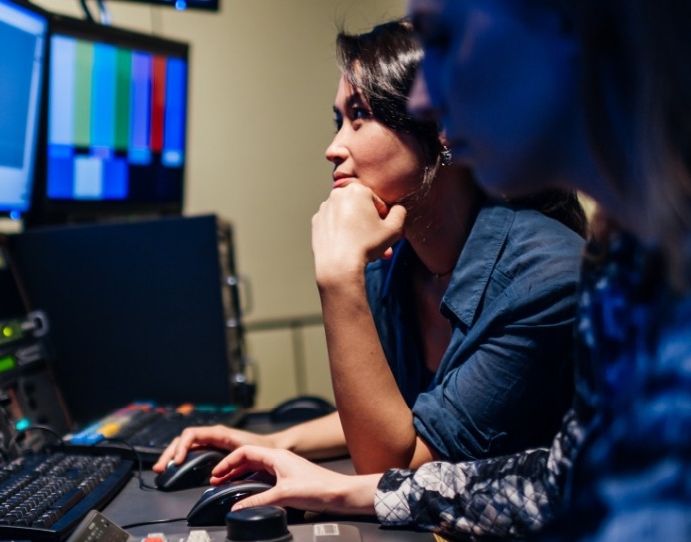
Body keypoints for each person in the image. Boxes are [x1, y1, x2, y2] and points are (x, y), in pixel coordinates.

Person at [210, 0, 691, 540]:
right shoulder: (624, 253)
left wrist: (337, 276)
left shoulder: (560, 271)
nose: (426, 97)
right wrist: (296, 456)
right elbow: (562, 480)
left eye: (447, 39)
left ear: (565, 24)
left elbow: (397, 453)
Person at [155, 19, 587, 478]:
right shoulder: (401, 265)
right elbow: (399, 419)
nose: (333, 147)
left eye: (359, 116)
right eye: (339, 120)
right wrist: (273, 441)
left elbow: (392, 467)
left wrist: (338, 278)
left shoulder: (546, 277)